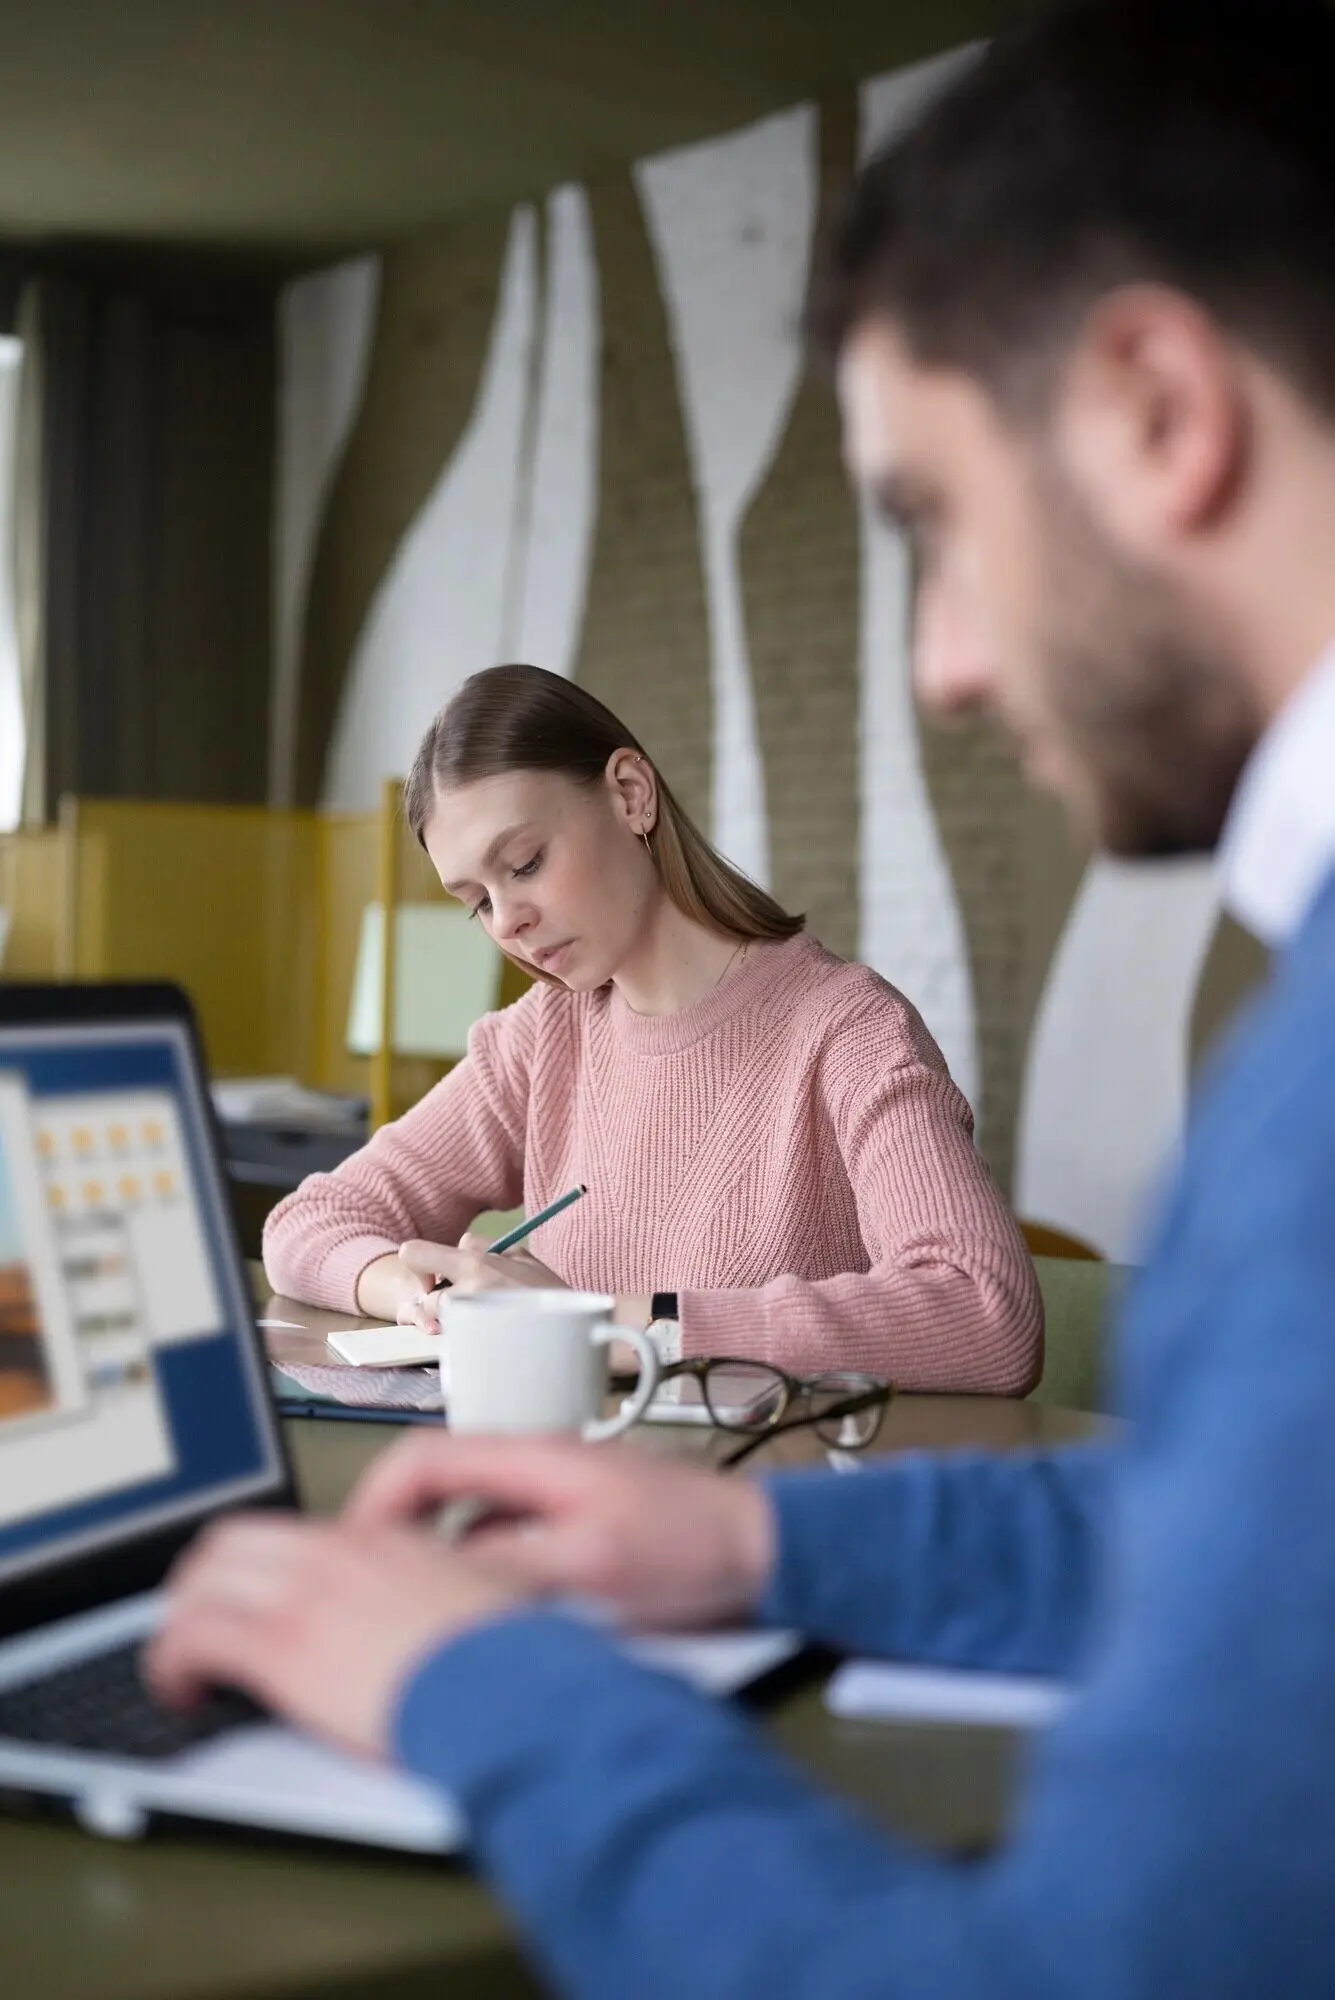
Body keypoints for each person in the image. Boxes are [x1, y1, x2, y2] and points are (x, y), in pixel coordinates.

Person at [151, 3, 1335, 1993]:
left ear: (1154, 405)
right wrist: (762, 1548)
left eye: (930, 524)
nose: (945, 666)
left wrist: (478, 1687)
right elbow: (1204, 1545)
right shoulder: (538, 1045)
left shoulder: (941, 1043)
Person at [264, 662, 1040, 1390]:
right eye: (476, 900)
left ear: (631, 793)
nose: (509, 921)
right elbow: (309, 1222)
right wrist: (412, 1292)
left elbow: (985, 1311)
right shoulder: (543, 1039)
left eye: (526, 863)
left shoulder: (847, 1031)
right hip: (578, 1499)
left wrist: (604, 1324)